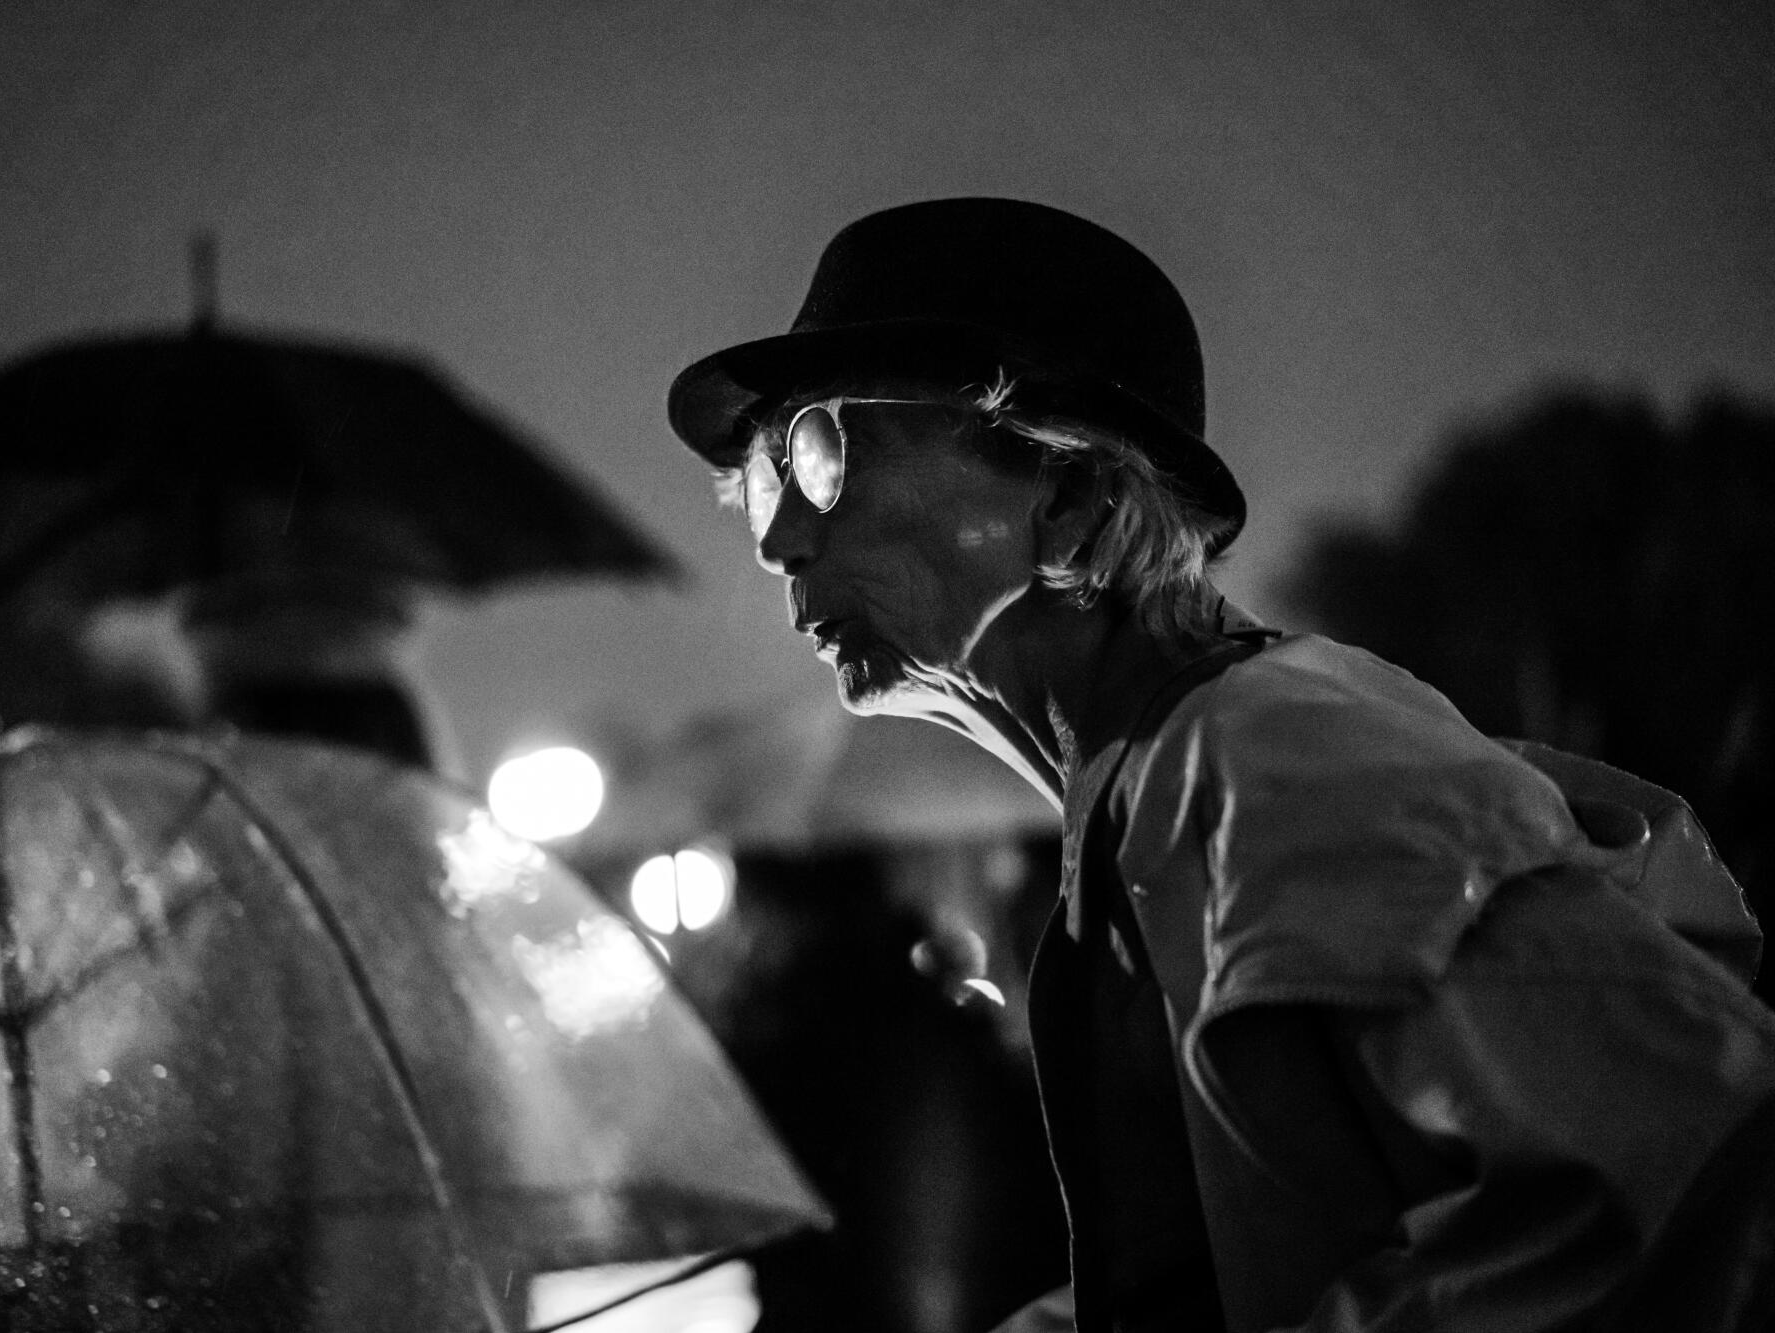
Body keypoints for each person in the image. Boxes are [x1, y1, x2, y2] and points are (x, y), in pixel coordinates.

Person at [665, 197, 1775, 1332]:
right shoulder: (1160, 793)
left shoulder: (1274, 757)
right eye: (764, 475)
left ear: (1072, 496)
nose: (773, 538)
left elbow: (1684, 1155)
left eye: (822, 450)